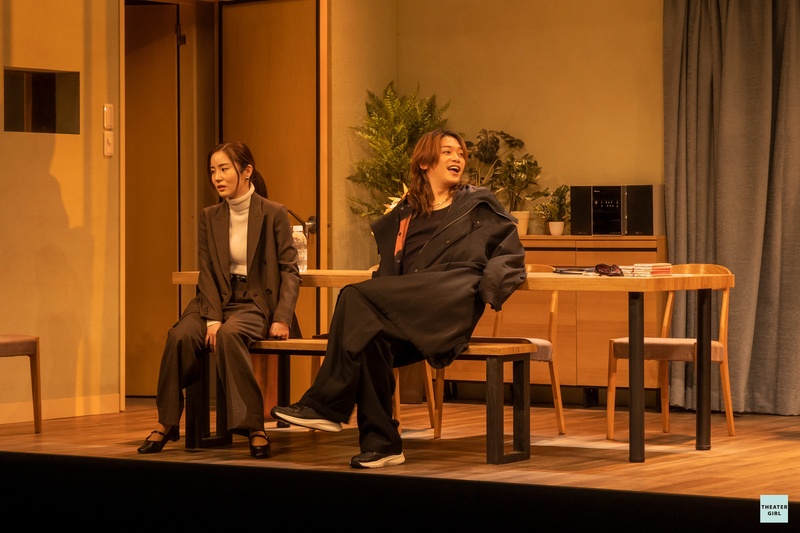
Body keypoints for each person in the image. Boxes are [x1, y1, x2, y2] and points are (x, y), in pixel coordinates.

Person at [271, 130, 526, 468]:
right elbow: (396, 267)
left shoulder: (478, 204)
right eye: (447, 152)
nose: (457, 158)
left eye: (460, 154)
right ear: (424, 163)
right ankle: (383, 445)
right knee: (369, 338)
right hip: (410, 305)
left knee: (353, 295)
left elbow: (511, 250)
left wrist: (490, 289)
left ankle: (326, 405)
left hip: (450, 299)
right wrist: (384, 277)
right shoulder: (406, 212)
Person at [137, 141, 301, 459]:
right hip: (214, 299)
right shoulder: (209, 216)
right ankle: (167, 421)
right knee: (180, 336)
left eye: (224, 169)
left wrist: (282, 317)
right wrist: (212, 318)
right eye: (213, 170)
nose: (217, 177)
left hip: (254, 302)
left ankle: (254, 427)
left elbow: (290, 271)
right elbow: (208, 271)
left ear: (247, 171)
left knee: (229, 334)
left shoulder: (273, 213)